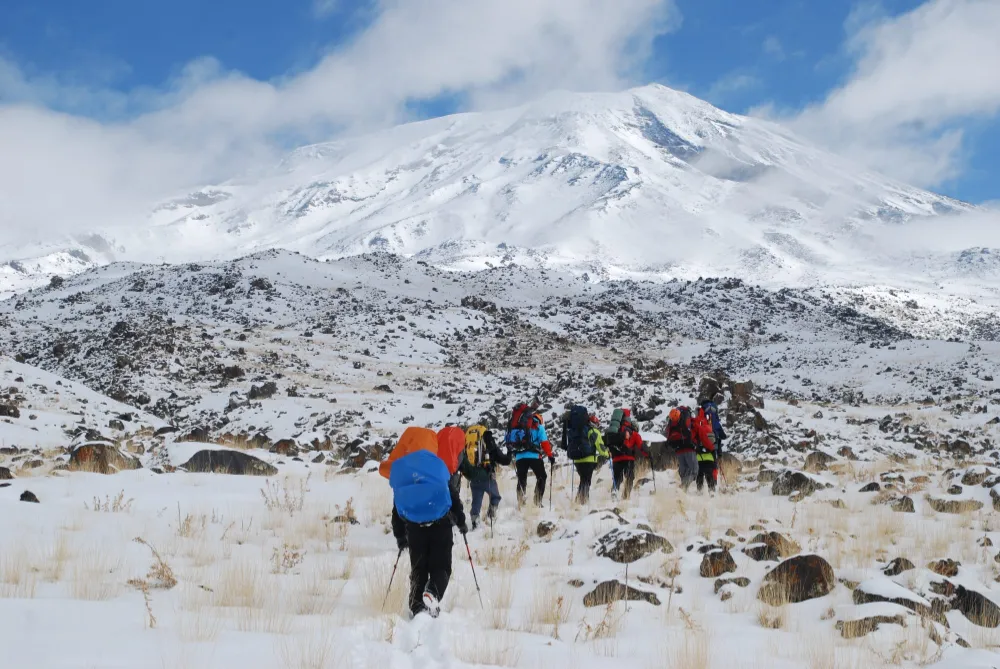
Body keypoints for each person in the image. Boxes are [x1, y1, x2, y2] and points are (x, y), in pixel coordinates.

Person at [383, 426, 468, 619]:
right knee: (442, 566)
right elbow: (452, 496)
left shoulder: (402, 471)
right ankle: (433, 592)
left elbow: (397, 505)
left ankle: (417, 607)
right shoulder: (437, 465)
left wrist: (399, 535)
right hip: (440, 524)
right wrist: (461, 521)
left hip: (414, 528)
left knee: (418, 569)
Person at [506, 400, 554, 507]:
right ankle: (537, 501)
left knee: (522, 479)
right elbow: (544, 443)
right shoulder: (538, 426)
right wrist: (550, 455)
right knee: (542, 477)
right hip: (534, 457)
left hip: (519, 456)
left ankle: (521, 503)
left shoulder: (517, 426)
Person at [463, 425, 512, 530]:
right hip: (487, 476)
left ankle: (475, 522)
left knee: (476, 501)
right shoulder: (489, 444)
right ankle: (491, 517)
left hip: (473, 477)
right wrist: (510, 451)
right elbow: (505, 461)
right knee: (495, 497)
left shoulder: (469, 444)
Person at [608, 408, 647, 500]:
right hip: (628, 459)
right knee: (630, 477)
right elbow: (642, 447)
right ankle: (625, 496)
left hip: (616, 459)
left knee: (617, 478)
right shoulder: (633, 433)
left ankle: (614, 491)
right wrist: (648, 454)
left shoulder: (614, 430)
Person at [571, 414, 609, 504]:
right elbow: (600, 446)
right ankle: (583, 501)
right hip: (588, 460)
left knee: (583, 480)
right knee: (586, 481)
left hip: (577, 460)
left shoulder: (580, 431)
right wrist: (607, 454)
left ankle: (579, 500)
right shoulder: (594, 431)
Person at [665, 407, 697, 492]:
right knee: (694, 471)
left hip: (678, 450)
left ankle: (683, 493)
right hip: (689, 449)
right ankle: (683, 487)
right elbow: (694, 429)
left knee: (684, 472)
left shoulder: (672, 422)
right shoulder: (686, 417)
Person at [692, 406, 719, 493]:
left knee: (699, 475)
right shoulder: (709, 427)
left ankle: (699, 491)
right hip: (710, 456)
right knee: (709, 475)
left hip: (699, 456)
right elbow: (714, 443)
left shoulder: (696, 427)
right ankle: (712, 492)